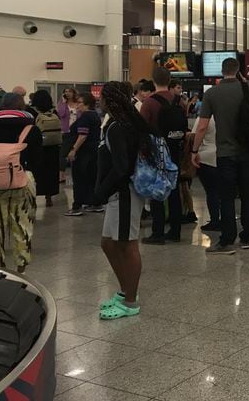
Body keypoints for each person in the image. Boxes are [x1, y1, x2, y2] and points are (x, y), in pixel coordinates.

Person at [91, 82, 152, 319]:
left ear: (111, 99)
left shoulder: (119, 127)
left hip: (124, 193)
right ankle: (125, 289)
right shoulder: (121, 123)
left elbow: (121, 167)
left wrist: (102, 191)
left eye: (103, 97)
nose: (99, 100)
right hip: (117, 194)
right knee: (108, 243)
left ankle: (130, 301)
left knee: (127, 244)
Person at [192, 57, 249, 254]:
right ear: (238, 70)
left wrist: (194, 151)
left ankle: (227, 240)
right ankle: (246, 238)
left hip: (225, 153)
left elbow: (203, 126)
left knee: (227, 197)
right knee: (247, 195)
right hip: (247, 151)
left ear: (221, 71)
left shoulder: (213, 93)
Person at [0, 93, 42, 272]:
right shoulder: (32, 130)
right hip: (22, 179)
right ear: (22, 106)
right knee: (22, 224)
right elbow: (38, 161)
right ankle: (21, 264)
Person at [140, 67, 185, 244]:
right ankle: (175, 231)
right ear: (170, 79)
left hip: (157, 151)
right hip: (175, 149)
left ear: (153, 80)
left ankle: (157, 232)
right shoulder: (178, 101)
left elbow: (142, 128)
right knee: (174, 191)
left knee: (157, 191)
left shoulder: (149, 102)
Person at [64, 93, 102, 216]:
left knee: (79, 178)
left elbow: (82, 135)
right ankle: (94, 202)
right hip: (93, 151)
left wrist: (74, 149)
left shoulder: (85, 117)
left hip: (83, 152)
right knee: (91, 177)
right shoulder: (95, 115)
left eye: (80, 102)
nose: (77, 105)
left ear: (87, 104)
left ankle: (77, 206)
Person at [31, 90, 61, 207]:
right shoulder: (54, 112)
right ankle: (49, 198)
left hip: (38, 147)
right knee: (51, 172)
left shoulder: (32, 112)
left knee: (37, 173)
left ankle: (34, 197)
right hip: (53, 147)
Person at [193, 115, 221, 232]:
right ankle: (226, 218)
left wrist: (193, 151)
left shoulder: (203, 118)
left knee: (211, 191)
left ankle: (214, 220)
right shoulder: (226, 115)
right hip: (223, 155)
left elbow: (197, 133)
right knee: (223, 192)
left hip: (205, 156)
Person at [57, 87, 79, 173]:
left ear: (73, 93)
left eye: (69, 91)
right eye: (65, 91)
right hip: (66, 130)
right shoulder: (62, 103)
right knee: (63, 152)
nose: (67, 93)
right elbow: (61, 114)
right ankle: (61, 174)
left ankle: (75, 171)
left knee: (76, 152)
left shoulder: (78, 103)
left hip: (77, 130)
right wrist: (63, 102)